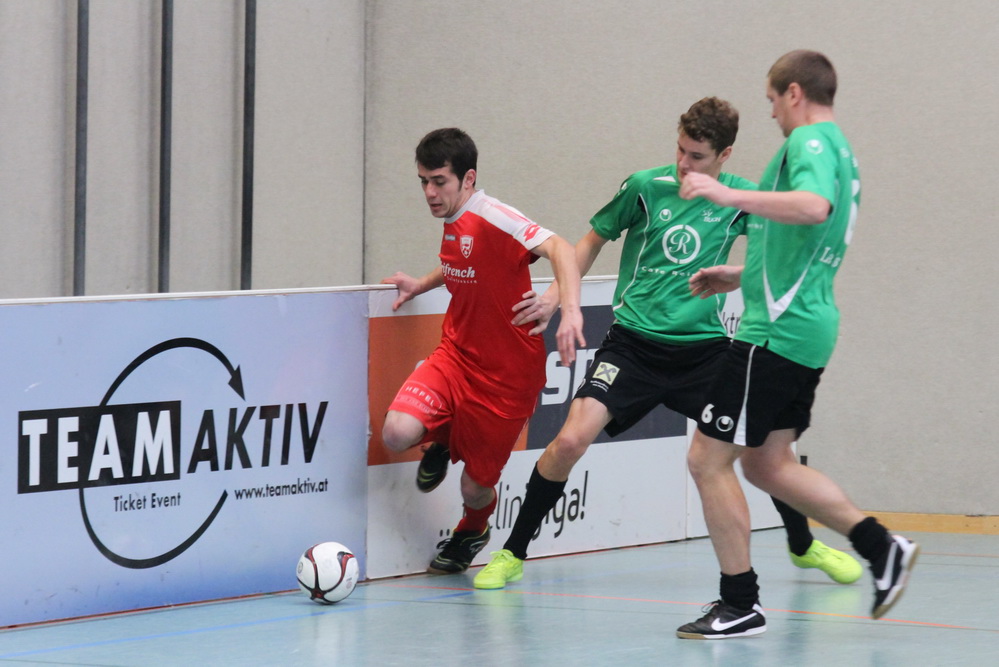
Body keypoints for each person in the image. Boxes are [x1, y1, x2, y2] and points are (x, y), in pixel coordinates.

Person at [461, 97, 861, 591]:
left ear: (725, 155)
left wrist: (742, 274)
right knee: (569, 441)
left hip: (704, 350)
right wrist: (554, 297)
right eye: (680, 150)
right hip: (633, 346)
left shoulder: (740, 198)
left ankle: (803, 546)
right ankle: (512, 553)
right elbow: (590, 241)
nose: (684, 164)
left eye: (698, 156)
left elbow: (776, 256)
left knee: (764, 444)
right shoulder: (645, 187)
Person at [673, 51, 918, 639]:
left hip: (775, 333)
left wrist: (725, 195)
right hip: (807, 325)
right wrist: (740, 274)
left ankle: (741, 603)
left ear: (793, 93)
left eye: (772, 101)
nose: (772, 114)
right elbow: (808, 241)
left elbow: (812, 209)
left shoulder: (808, 142)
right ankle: (881, 547)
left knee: (707, 459)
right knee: (767, 463)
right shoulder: (841, 151)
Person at [380, 127, 586, 575]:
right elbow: (460, 263)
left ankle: (472, 530)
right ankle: (444, 441)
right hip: (455, 356)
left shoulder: (495, 216)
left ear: (468, 179)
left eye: (439, 181)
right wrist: (420, 284)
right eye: (423, 182)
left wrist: (567, 309)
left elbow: (562, 249)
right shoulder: (453, 220)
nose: (429, 193)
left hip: (507, 381)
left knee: (474, 488)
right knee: (396, 432)